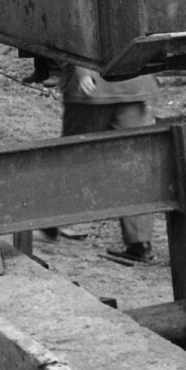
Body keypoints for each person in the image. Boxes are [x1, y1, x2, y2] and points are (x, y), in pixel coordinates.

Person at [46, 65, 158, 259]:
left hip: (93, 88)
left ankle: (47, 223)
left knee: (71, 156)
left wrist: (83, 72)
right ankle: (140, 241)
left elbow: (78, 44)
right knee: (131, 163)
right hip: (133, 85)